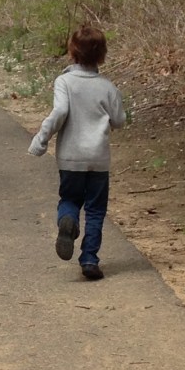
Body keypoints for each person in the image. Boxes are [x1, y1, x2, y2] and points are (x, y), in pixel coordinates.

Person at [28, 25, 125, 281]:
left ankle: (67, 222)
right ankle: (90, 260)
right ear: (102, 55)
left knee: (69, 199)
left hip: (70, 158)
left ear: (72, 52)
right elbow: (119, 120)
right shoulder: (108, 87)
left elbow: (59, 113)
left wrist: (41, 140)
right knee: (95, 210)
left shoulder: (64, 82)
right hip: (98, 159)